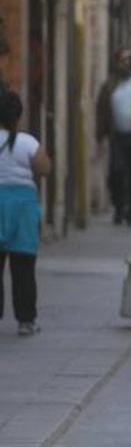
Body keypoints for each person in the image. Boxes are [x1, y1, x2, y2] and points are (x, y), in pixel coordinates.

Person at [0, 92, 51, 336]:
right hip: (23, 208)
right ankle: (26, 321)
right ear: (18, 116)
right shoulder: (28, 142)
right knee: (23, 266)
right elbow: (44, 168)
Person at [95, 49, 131, 226]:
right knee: (117, 171)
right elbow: (101, 111)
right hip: (117, 136)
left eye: (129, 60)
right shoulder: (109, 85)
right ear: (117, 63)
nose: (127, 63)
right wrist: (99, 137)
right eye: (123, 60)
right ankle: (119, 207)